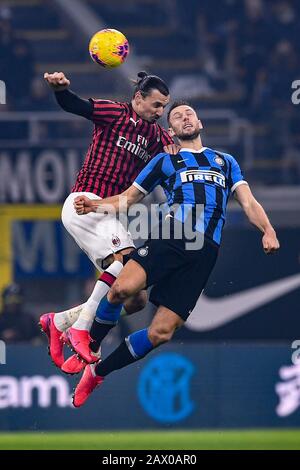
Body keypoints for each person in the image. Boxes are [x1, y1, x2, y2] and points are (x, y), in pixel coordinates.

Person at [71, 101, 280, 407]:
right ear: (170, 131)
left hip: (206, 251)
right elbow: (129, 199)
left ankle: (97, 372)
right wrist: (94, 205)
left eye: (190, 113)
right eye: (177, 116)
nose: (185, 117)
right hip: (173, 234)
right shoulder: (164, 160)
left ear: (200, 123)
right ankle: (91, 346)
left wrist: (268, 229)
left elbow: (248, 202)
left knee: (161, 332)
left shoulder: (225, 161)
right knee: (122, 289)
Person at [39, 70, 176, 371]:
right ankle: (81, 329)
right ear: (138, 98)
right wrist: (60, 90)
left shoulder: (158, 137)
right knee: (126, 262)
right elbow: (76, 106)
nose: (160, 112)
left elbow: (176, 157)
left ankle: (60, 321)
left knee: (135, 296)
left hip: (109, 214)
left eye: (165, 107)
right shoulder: (116, 113)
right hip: (85, 202)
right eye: (156, 105)